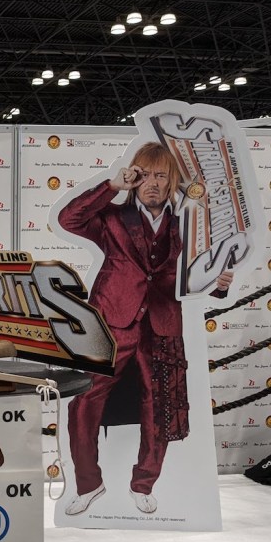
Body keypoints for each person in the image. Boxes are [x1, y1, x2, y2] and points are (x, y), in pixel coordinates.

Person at [57, 141, 232, 515]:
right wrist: (112, 186)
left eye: (161, 176)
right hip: (110, 323)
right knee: (84, 401)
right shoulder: (111, 218)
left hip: (163, 325)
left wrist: (220, 284)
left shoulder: (189, 225)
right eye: (146, 175)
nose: (153, 183)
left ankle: (144, 484)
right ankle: (88, 484)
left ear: (172, 182)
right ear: (134, 177)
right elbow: (68, 219)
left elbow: (203, 274)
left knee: (160, 405)